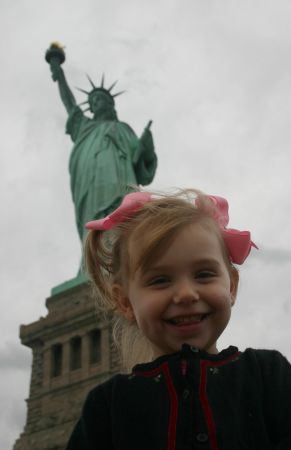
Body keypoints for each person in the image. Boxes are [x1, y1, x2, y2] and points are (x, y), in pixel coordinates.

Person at [66, 189, 291, 450]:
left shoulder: (268, 375)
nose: (186, 294)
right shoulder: (106, 406)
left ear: (231, 286)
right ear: (125, 302)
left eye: (204, 274)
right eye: (160, 280)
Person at [46, 44, 157, 243]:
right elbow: (69, 103)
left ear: (110, 104)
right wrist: (59, 73)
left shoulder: (123, 129)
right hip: (89, 179)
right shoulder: (83, 126)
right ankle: (94, 260)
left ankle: (127, 254)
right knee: (93, 222)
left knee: (125, 215)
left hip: (120, 178)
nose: (98, 102)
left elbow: (139, 163)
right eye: (94, 100)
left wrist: (146, 147)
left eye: (102, 99)